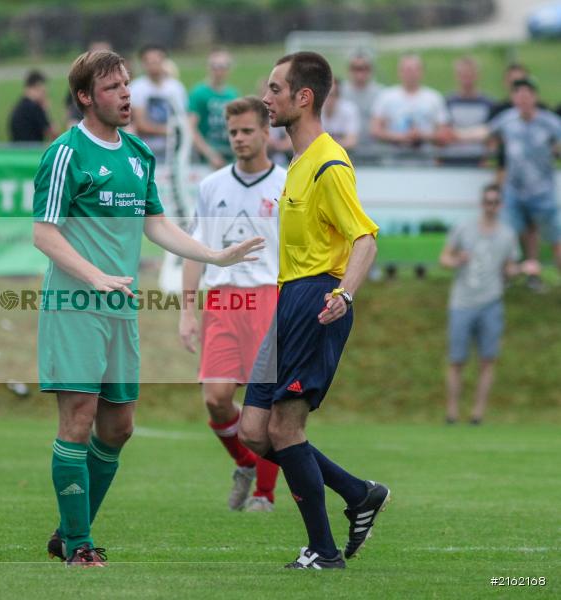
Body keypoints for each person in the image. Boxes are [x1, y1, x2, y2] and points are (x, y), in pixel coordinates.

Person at [33, 50, 264, 567]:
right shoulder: (66, 153)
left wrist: (213, 254)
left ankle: (71, 529)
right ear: (86, 97)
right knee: (79, 418)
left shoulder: (138, 153)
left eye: (127, 84)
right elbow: (43, 233)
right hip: (75, 305)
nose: (126, 95)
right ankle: (77, 544)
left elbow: (156, 224)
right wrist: (93, 276)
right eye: (113, 87)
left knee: (118, 428)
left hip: (121, 308)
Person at [241, 52, 389, 570]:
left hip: (316, 299)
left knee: (284, 430)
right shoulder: (298, 164)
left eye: (275, 88)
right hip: (289, 301)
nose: (267, 97)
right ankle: (358, 493)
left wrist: (343, 294)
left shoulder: (328, 163)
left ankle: (324, 552)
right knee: (253, 431)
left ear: (303, 97)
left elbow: (365, 239)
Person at [179, 96, 284, 512]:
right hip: (222, 301)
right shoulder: (211, 186)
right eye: (232, 132)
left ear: (265, 132)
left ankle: (265, 493)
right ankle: (245, 464)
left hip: (269, 300)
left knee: (268, 408)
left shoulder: (288, 186)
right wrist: (187, 309)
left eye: (246, 131)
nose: (239, 139)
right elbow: (193, 250)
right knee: (216, 398)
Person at [451, 78, 561, 290]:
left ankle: (545, 281)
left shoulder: (549, 122)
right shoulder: (507, 120)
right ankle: (503, 280)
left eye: (527, 96)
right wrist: (456, 135)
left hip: (543, 193)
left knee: (556, 240)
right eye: (518, 96)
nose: (523, 100)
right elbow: (485, 132)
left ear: (534, 97)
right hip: (514, 193)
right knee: (505, 236)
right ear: (514, 99)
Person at [440, 184, 520, 425]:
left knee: (487, 360)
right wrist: (457, 260)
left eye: (495, 202)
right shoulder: (464, 228)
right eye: (487, 201)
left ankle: (477, 413)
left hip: (492, 302)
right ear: (481, 202)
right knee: (457, 360)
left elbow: (509, 269)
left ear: (500, 205)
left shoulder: (507, 234)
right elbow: (444, 258)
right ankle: (452, 412)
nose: (491, 206)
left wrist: (521, 269)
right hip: (462, 302)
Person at [370, 54, 450, 154]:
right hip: (392, 159)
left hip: (426, 158)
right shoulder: (386, 97)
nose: (410, 74)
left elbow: (444, 132)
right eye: (407, 70)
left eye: (414, 70)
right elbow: (375, 130)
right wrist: (400, 137)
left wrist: (422, 136)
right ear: (399, 72)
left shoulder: (434, 98)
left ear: (421, 72)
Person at [129, 45, 188, 162]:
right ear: (143, 63)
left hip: (173, 149)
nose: (153, 66)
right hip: (146, 149)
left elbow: (182, 118)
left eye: (157, 61)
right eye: (149, 62)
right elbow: (140, 124)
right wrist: (170, 130)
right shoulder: (136, 88)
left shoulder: (176, 88)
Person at [188, 49, 240, 168]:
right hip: (205, 156)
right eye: (214, 66)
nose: (218, 70)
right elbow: (191, 128)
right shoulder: (199, 93)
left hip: (229, 154)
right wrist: (209, 154)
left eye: (223, 66)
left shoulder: (233, 94)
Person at [442, 57, 494, 166]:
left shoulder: (488, 103)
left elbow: (489, 134)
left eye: (470, 74)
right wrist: (476, 134)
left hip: (478, 161)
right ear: (457, 76)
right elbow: (446, 134)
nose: (466, 78)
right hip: (451, 160)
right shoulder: (448, 102)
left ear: (477, 76)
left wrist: (459, 135)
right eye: (463, 74)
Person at [341, 52, 381, 147]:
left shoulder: (380, 94)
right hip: (346, 147)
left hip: (374, 148)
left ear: (370, 70)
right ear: (349, 70)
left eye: (364, 68)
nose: (360, 73)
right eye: (356, 68)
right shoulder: (339, 92)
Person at [9, 70, 56, 143]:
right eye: (43, 91)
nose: (44, 94)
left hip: (17, 151)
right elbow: (54, 134)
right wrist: (45, 110)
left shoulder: (18, 106)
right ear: (37, 87)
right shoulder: (35, 108)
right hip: (32, 151)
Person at [321, 79, 360, 152]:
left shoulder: (349, 110)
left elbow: (351, 142)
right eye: (325, 94)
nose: (328, 99)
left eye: (332, 95)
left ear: (338, 96)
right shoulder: (311, 110)